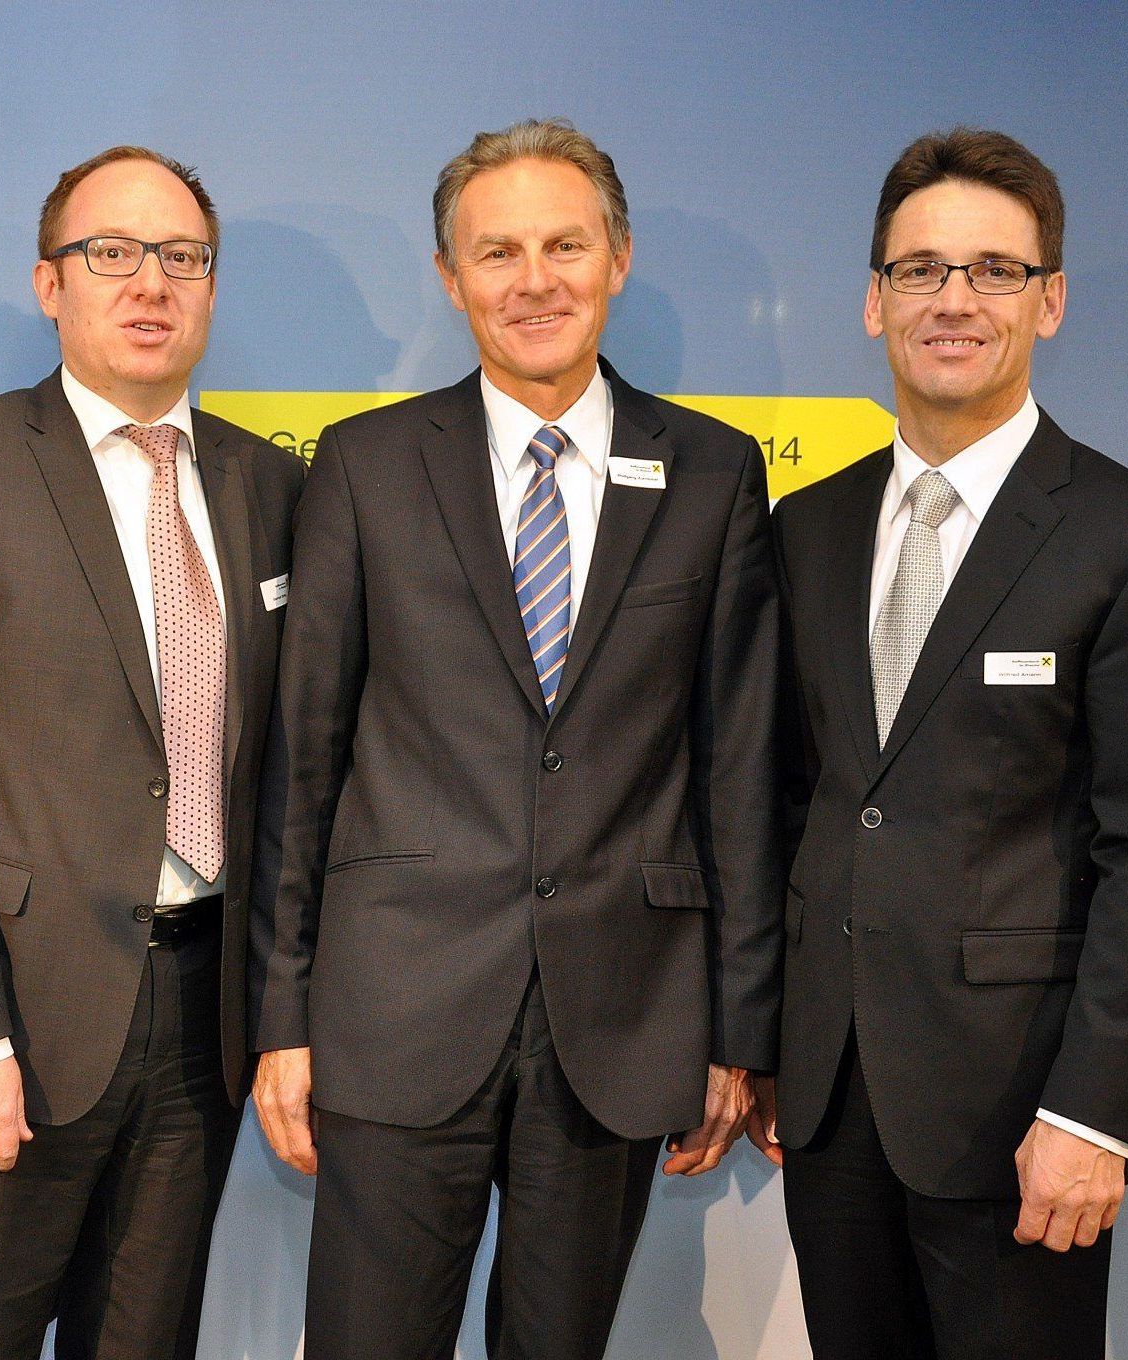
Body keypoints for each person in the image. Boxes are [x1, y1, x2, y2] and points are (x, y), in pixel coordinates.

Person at [249, 118, 784, 1360]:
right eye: (498, 252)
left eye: (564, 245)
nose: (533, 280)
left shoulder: (710, 471)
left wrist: (736, 1027)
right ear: (451, 277)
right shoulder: (366, 465)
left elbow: (739, 769)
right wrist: (284, 1016)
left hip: (623, 1013)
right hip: (393, 1011)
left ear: (617, 257)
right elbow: (303, 761)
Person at [758, 127, 1128, 1360]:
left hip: (1024, 1118)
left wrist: (1095, 1113)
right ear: (872, 300)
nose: (953, 300)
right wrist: (757, 1045)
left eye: (995, 271)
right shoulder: (806, 527)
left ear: (1048, 300)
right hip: (832, 1100)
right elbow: (797, 802)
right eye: (920, 270)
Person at [0, 145, 305, 1360]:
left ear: (211, 288)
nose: (147, 283)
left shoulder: (273, 485)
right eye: (109, 253)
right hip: (16, 1021)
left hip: (204, 1013)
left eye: (181, 257)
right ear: (50, 283)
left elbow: (288, 781)